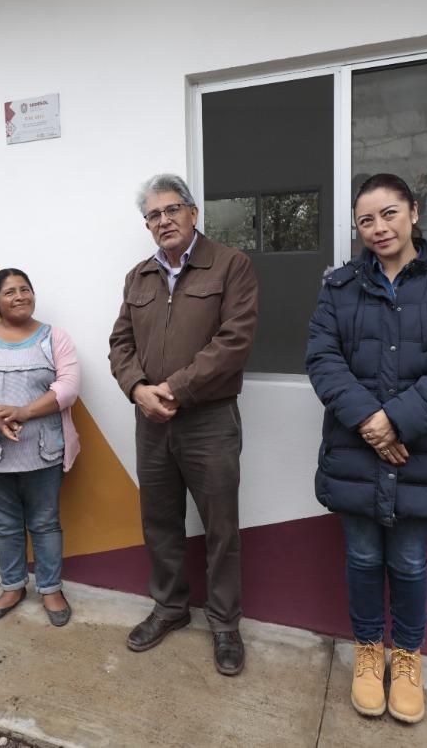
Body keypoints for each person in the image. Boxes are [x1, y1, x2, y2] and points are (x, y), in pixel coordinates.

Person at [306, 173, 427, 724]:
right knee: (361, 557)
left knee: (408, 561)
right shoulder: (338, 288)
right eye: (366, 220)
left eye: (388, 214)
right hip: (354, 449)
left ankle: (406, 657)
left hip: (420, 450)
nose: (378, 227)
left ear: (414, 213)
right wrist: (369, 422)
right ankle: (367, 651)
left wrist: (397, 423)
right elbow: (322, 359)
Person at [108, 173, 258, 676]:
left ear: (193, 212)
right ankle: (170, 607)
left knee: (221, 528)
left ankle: (225, 623)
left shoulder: (231, 264)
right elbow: (120, 344)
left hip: (209, 419)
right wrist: (138, 389)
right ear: (146, 225)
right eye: (153, 215)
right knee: (160, 521)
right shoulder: (138, 277)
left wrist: (173, 389)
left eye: (172, 209)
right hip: (151, 420)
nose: (164, 220)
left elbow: (234, 341)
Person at [0, 269, 81, 627]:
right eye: (9, 292)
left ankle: (50, 589)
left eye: (25, 289)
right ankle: (12, 587)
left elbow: (68, 387)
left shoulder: (55, 338)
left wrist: (23, 412)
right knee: (5, 525)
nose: (19, 296)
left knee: (45, 522)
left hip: (43, 451)